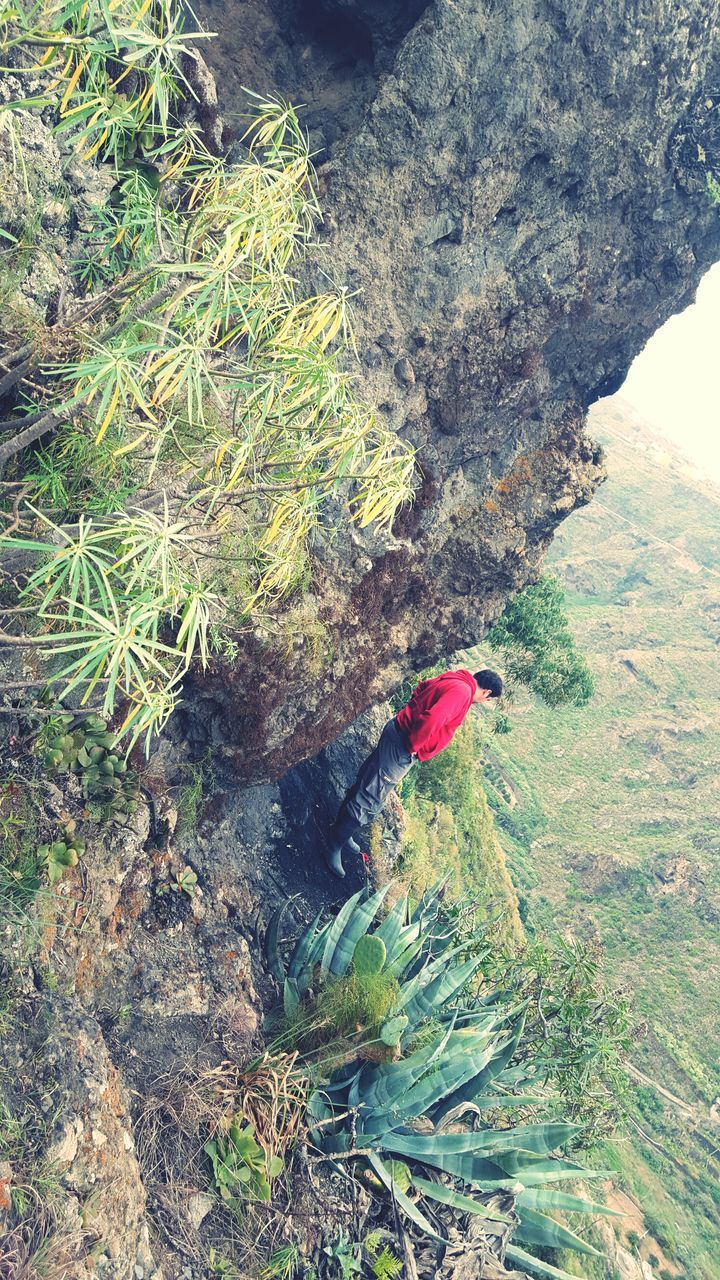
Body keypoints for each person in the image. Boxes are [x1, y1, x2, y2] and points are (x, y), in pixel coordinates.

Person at [324, 667, 503, 878]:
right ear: (487, 692)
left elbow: (423, 686)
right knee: (371, 795)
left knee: (367, 781)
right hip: (402, 746)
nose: (485, 702)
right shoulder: (462, 692)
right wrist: (414, 746)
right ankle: (333, 845)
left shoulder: (456, 677)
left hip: (397, 733)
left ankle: (342, 834)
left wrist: (410, 714)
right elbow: (433, 719)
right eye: (488, 699)